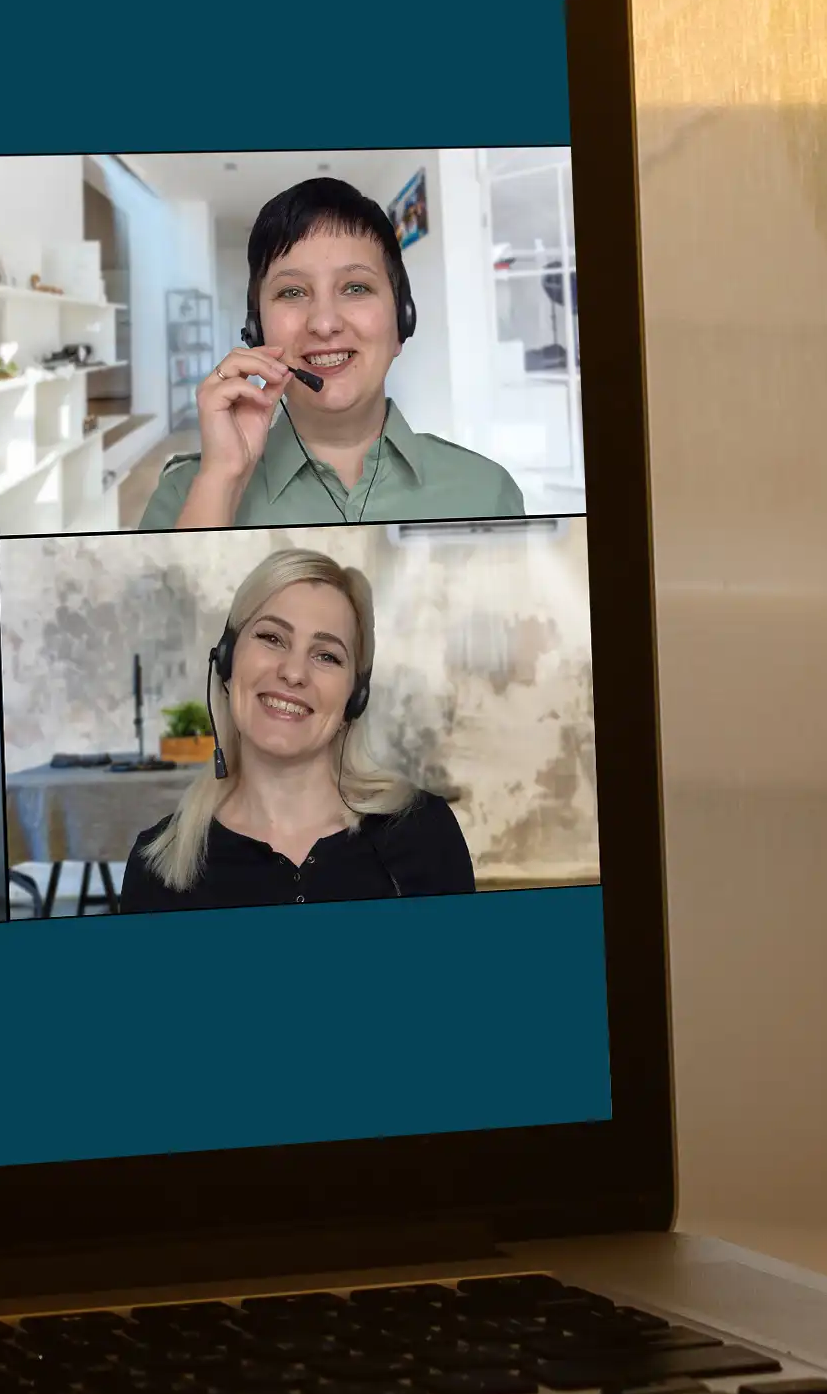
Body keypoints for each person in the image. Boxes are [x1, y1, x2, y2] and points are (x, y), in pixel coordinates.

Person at [136, 174, 527, 530]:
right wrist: (222, 481)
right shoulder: (185, 496)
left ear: (402, 320)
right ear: (256, 330)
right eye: (292, 292)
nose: (324, 324)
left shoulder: (487, 492)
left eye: (356, 288)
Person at [114, 547, 476, 907]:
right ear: (226, 662)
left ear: (355, 698)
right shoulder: (157, 866)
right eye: (272, 638)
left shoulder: (424, 833)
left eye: (326, 655)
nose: (293, 673)